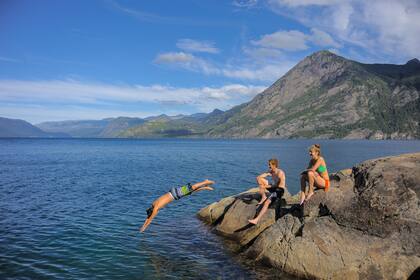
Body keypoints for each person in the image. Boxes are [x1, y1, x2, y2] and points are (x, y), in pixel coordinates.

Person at [140, 179, 215, 232]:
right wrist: (144, 224)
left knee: (191, 188)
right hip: (173, 193)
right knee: (190, 192)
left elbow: (150, 218)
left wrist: (145, 227)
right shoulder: (154, 204)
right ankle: (205, 187)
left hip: (175, 194)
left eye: (154, 213)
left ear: (153, 211)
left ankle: (205, 182)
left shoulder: (156, 208)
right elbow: (148, 217)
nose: (156, 213)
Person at [248, 158, 286, 225]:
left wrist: (264, 187)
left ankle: (256, 220)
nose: (269, 166)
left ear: (274, 165)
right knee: (259, 179)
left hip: (279, 190)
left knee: (267, 203)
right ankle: (263, 197)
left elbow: (276, 186)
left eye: (270, 165)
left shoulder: (280, 173)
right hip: (274, 187)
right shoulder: (271, 171)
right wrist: (267, 173)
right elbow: (259, 177)